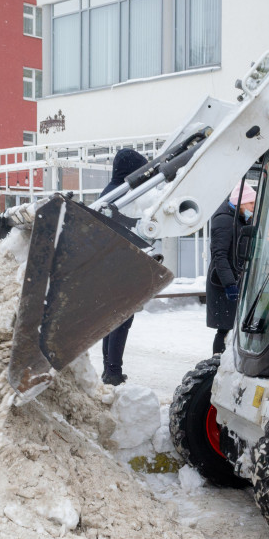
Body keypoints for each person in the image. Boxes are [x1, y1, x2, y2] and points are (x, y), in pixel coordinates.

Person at [99, 147, 149, 385]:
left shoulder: (110, 192)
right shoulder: (121, 195)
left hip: (109, 266)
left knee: (113, 319)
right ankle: (113, 371)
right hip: (118, 267)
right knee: (121, 319)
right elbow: (122, 225)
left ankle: (109, 368)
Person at [206, 182, 256, 355]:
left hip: (233, 280)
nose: (253, 207)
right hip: (223, 285)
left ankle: (226, 361)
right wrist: (229, 284)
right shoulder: (224, 220)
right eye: (251, 203)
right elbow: (219, 255)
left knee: (231, 327)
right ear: (240, 202)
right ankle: (217, 362)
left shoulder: (238, 218)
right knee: (224, 328)